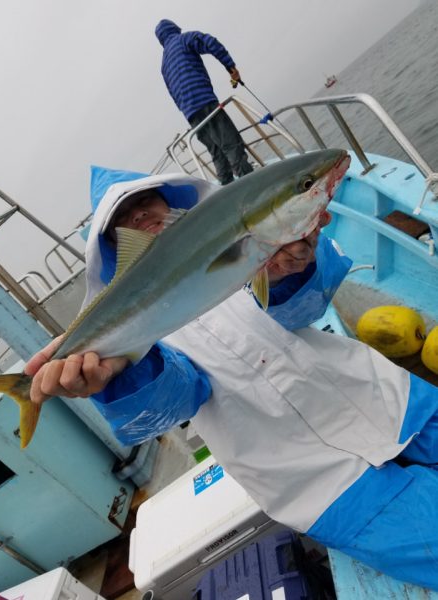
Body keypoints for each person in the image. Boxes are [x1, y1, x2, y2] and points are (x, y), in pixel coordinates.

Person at [25, 166, 438, 591]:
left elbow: (304, 312)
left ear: (171, 199)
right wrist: (120, 375)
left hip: (395, 405)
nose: (139, 215)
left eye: (145, 199)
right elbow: (172, 403)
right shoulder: (135, 326)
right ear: (112, 243)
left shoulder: (244, 248)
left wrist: (292, 268)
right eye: (122, 216)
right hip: (323, 486)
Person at [155, 19, 253, 185]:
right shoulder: (183, 39)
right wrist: (231, 68)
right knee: (231, 145)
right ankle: (252, 185)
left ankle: (227, 189)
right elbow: (209, 42)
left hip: (190, 113)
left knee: (217, 153)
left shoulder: (164, 64)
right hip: (205, 102)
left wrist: (187, 109)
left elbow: (172, 93)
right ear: (174, 29)